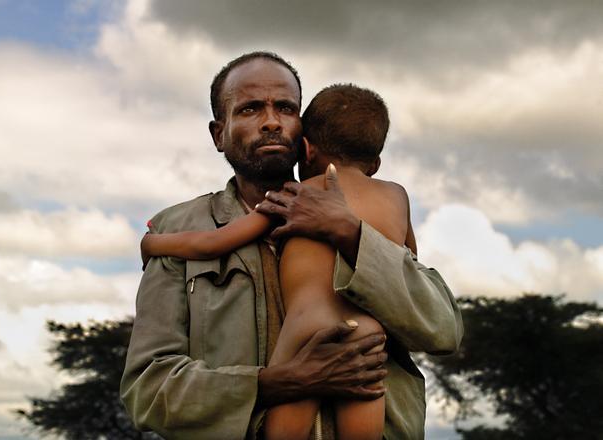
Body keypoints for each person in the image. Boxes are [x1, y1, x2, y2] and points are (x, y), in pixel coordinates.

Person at [121, 51, 463, 440]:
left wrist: (351, 234)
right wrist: (279, 382)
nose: (271, 121)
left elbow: (443, 331)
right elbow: (149, 391)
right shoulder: (179, 225)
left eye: (285, 107)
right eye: (250, 109)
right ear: (219, 134)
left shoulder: (362, 219)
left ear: (306, 135)